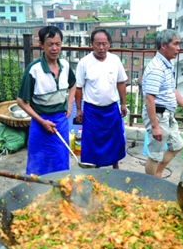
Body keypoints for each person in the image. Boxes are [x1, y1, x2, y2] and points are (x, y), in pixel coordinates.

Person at [17, 26, 76, 175]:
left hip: (60, 122)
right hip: (40, 121)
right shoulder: (33, 70)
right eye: (50, 44)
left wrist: (69, 104)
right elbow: (21, 101)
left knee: (61, 160)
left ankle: (61, 192)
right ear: (42, 45)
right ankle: (36, 192)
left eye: (58, 44)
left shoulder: (66, 66)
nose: (55, 48)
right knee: (38, 163)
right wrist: (42, 121)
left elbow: (73, 84)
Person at [142, 29, 183, 178]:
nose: (179, 48)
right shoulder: (156, 68)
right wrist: (155, 126)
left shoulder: (167, 65)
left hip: (167, 114)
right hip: (158, 114)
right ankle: (150, 185)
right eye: (176, 44)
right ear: (163, 45)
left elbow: (171, 90)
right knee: (155, 154)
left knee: (178, 145)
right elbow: (149, 98)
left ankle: (157, 175)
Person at [74, 29, 127, 169]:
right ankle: (94, 170)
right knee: (91, 143)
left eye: (104, 44)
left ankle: (115, 167)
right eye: (98, 44)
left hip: (111, 109)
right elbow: (78, 88)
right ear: (92, 44)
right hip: (92, 111)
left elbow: (121, 82)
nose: (101, 47)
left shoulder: (115, 60)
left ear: (109, 44)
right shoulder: (84, 63)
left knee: (115, 140)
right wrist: (79, 109)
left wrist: (123, 104)